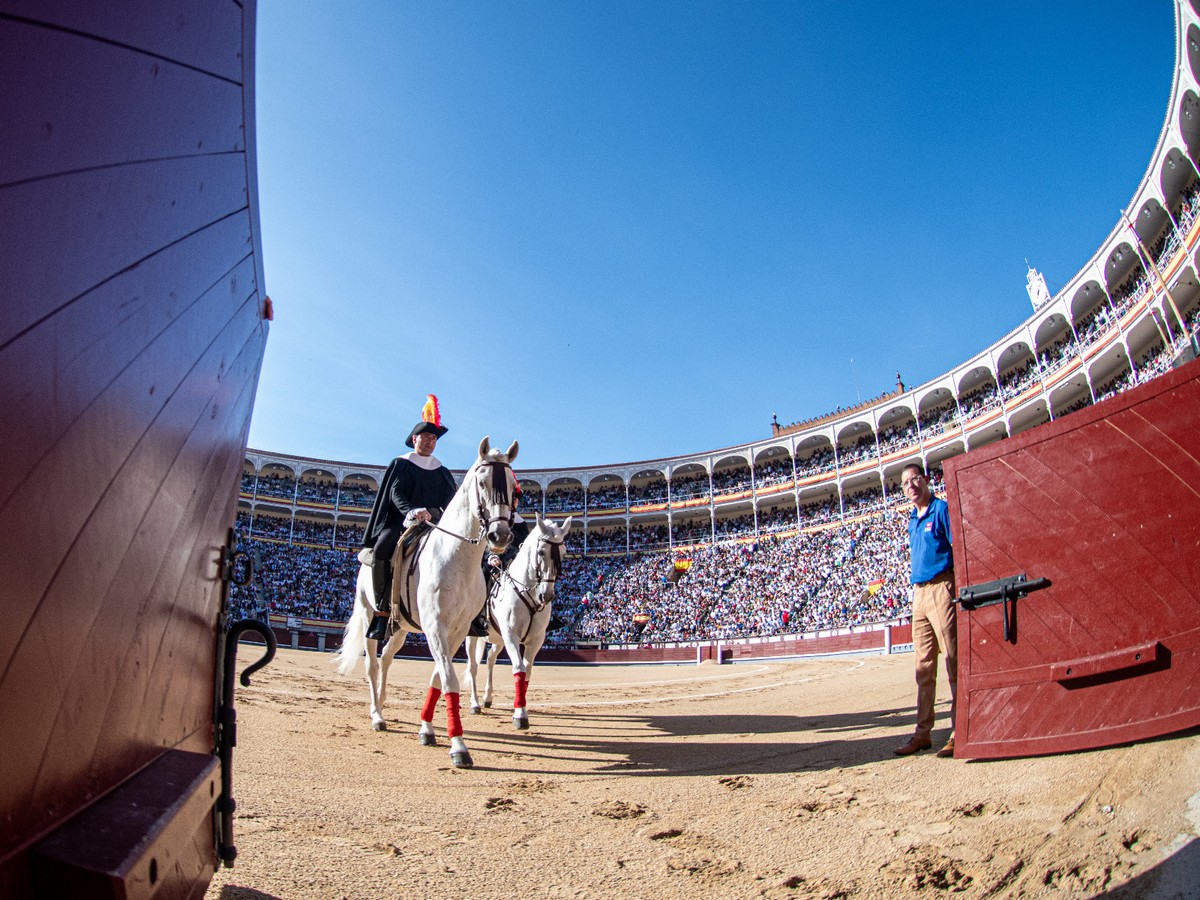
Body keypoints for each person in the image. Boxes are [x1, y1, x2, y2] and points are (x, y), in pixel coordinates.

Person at [362, 395, 457, 641]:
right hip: (401, 521)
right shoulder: (402, 464)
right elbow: (395, 493)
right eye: (425, 437)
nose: (429, 442)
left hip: (433, 525)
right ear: (414, 439)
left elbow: (450, 503)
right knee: (383, 548)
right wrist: (414, 511)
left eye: (433, 438)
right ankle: (382, 612)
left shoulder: (442, 471)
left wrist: (434, 514)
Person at [893, 463, 957, 758]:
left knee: (954, 661)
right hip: (919, 592)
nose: (911, 486)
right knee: (924, 666)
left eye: (915, 479)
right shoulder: (912, 520)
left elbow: (957, 548)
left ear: (926, 480)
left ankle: (959, 730)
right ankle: (922, 733)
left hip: (943, 586)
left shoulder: (941, 510)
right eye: (906, 483)